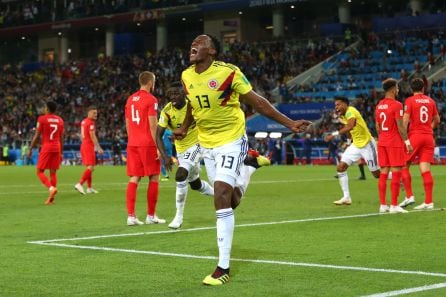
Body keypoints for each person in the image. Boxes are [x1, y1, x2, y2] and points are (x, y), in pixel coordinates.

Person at [175, 34, 311, 285]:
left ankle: (222, 268)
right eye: (192, 42)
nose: (193, 45)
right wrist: (184, 127)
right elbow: (193, 106)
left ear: (212, 50)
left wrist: (289, 123)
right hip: (207, 144)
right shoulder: (186, 76)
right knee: (230, 200)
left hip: (231, 140)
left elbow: (258, 103)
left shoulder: (229, 73)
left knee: (220, 195)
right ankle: (249, 168)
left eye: (200, 42)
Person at [156, 81, 214, 229]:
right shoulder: (166, 112)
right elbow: (158, 135)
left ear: (184, 94)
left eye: (176, 93)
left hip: (198, 144)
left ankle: (178, 217)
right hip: (181, 150)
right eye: (171, 94)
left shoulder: (193, 106)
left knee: (180, 175)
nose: (173, 96)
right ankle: (219, 195)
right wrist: (165, 157)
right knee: (195, 184)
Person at [125, 71, 165, 226]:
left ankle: (131, 216)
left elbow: (128, 123)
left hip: (133, 143)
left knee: (134, 177)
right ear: (150, 82)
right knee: (154, 177)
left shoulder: (130, 100)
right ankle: (151, 215)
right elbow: (153, 125)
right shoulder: (151, 99)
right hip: (147, 143)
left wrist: (131, 140)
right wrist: (158, 147)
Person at [324, 97, 380, 205]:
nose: (336, 107)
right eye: (335, 105)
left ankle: (398, 177)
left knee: (376, 174)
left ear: (345, 104)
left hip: (367, 144)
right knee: (341, 167)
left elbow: (350, 126)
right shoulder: (343, 115)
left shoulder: (351, 111)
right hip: (356, 145)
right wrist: (349, 143)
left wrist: (333, 135)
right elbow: (348, 129)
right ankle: (346, 197)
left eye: (338, 104)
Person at [399, 78, 441, 210]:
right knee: (425, 170)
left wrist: (405, 139)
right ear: (423, 88)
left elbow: (405, 121)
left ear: (412, 89)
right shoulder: (431, 101)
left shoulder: (410, 101)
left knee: (404, 165)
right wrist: (428, 129)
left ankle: (409, 196)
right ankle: (429, 202)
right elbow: (437, 120)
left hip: (415, 136)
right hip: (429, 137)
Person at [375, 78, 413, 214]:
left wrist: (383, 138)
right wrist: (407, 142)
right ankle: (394, 205)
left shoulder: (379, 105)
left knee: (384, 173)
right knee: (396, 172)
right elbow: (401, 126)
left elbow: (377, 126)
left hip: (382, 142)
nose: (398, 90)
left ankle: (383, 205)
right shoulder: (397, 105)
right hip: (394, 143)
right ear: (392, 89)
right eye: (397, 88)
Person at [28, 101, 64, 205]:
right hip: (57, 147)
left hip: (47, 147)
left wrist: (30, 148)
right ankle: (51, 200)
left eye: (44, 107)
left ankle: (51, 188)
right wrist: (61, 151)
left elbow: (37, 135)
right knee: (53, 172)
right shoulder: (60, 120)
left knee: (39, 171)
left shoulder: (42, 119)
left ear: (47, 109)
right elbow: (62, 137)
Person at [74, 106, 103, 194]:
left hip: (84, 145)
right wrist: (98, 148)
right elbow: (93, 136)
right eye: (94, 113)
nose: (96, 115)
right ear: (89, 113)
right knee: (90, 167)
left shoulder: (84, 121)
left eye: (96, 113)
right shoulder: (90, 123)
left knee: (90, 167)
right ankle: (80, 184)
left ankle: (89, 188)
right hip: (88, 146)